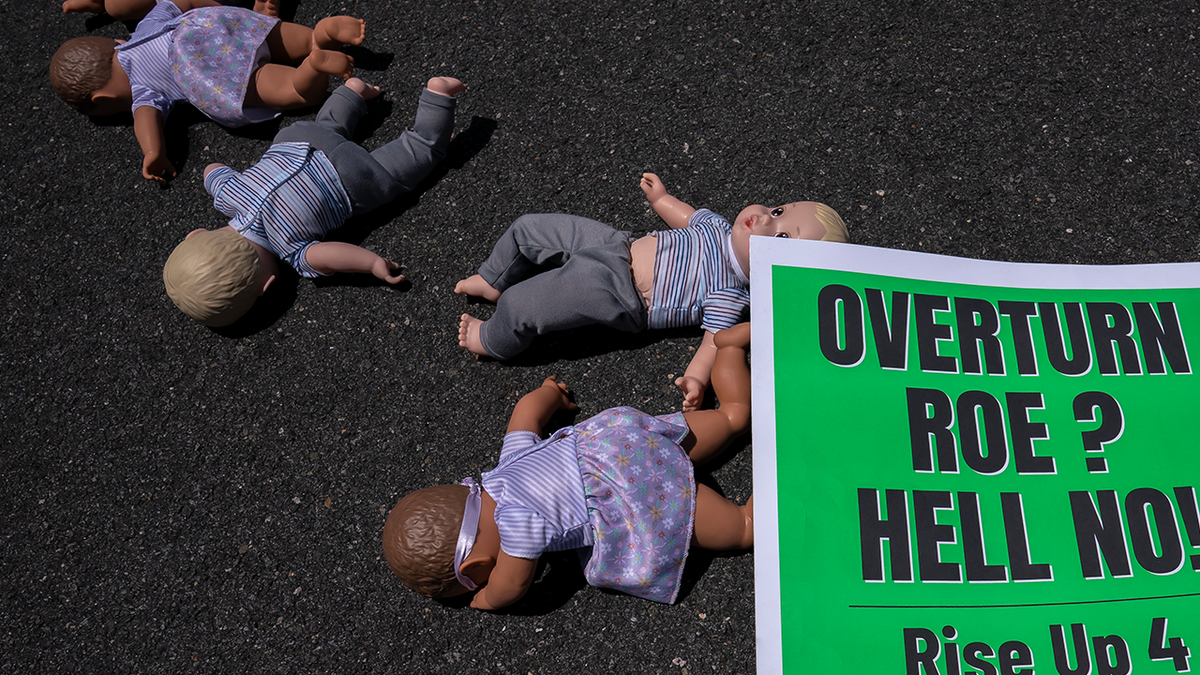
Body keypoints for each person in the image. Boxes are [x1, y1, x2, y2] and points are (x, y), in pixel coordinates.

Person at [383, 323, 754, 609]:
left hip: (636, 493)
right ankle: (730, 347)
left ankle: (793, 485)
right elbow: (526, 413)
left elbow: (510, 586)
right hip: (618, 445)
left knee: (742, 529)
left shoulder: (516, 527)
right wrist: (551, 394)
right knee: (733, 417)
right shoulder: (506, 466)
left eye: (474, 582)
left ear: (476, 567)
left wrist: (486, 600)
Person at [455, 173, 848, 410]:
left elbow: (714, 343)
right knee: (529, 228)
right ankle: (494, 277)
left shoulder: (731, 294)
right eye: (779, 211)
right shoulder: (717, 226)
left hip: (619, 292)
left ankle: (492, 339)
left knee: (525, 304)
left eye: (779, 236)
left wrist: (696, 380)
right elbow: (685, 214)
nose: (764, 217)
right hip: (618, 244)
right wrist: (661, 198)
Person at [162, 75, 464, 327]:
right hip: (298, 140)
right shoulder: (229, 195)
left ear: (266, 285)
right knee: (329, 123)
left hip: (348, 178)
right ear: (197, 234)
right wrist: (210, 173)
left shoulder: (291, 249)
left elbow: (330, 255)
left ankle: (438, 96)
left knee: (418, 154)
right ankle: (352, 91)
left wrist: (372, 263)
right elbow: (213, 171)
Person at [49, 0, 364, 182]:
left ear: (101, 99)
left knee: (295, 91)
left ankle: (315, 63)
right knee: (279, 37)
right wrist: (220, 11)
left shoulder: (141, 88)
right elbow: (179, 2)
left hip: (209, 69)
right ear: (117, 44)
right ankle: (318, 35)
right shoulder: (144, 27)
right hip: (212, 24)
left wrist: (153, 153)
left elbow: (146, 120)